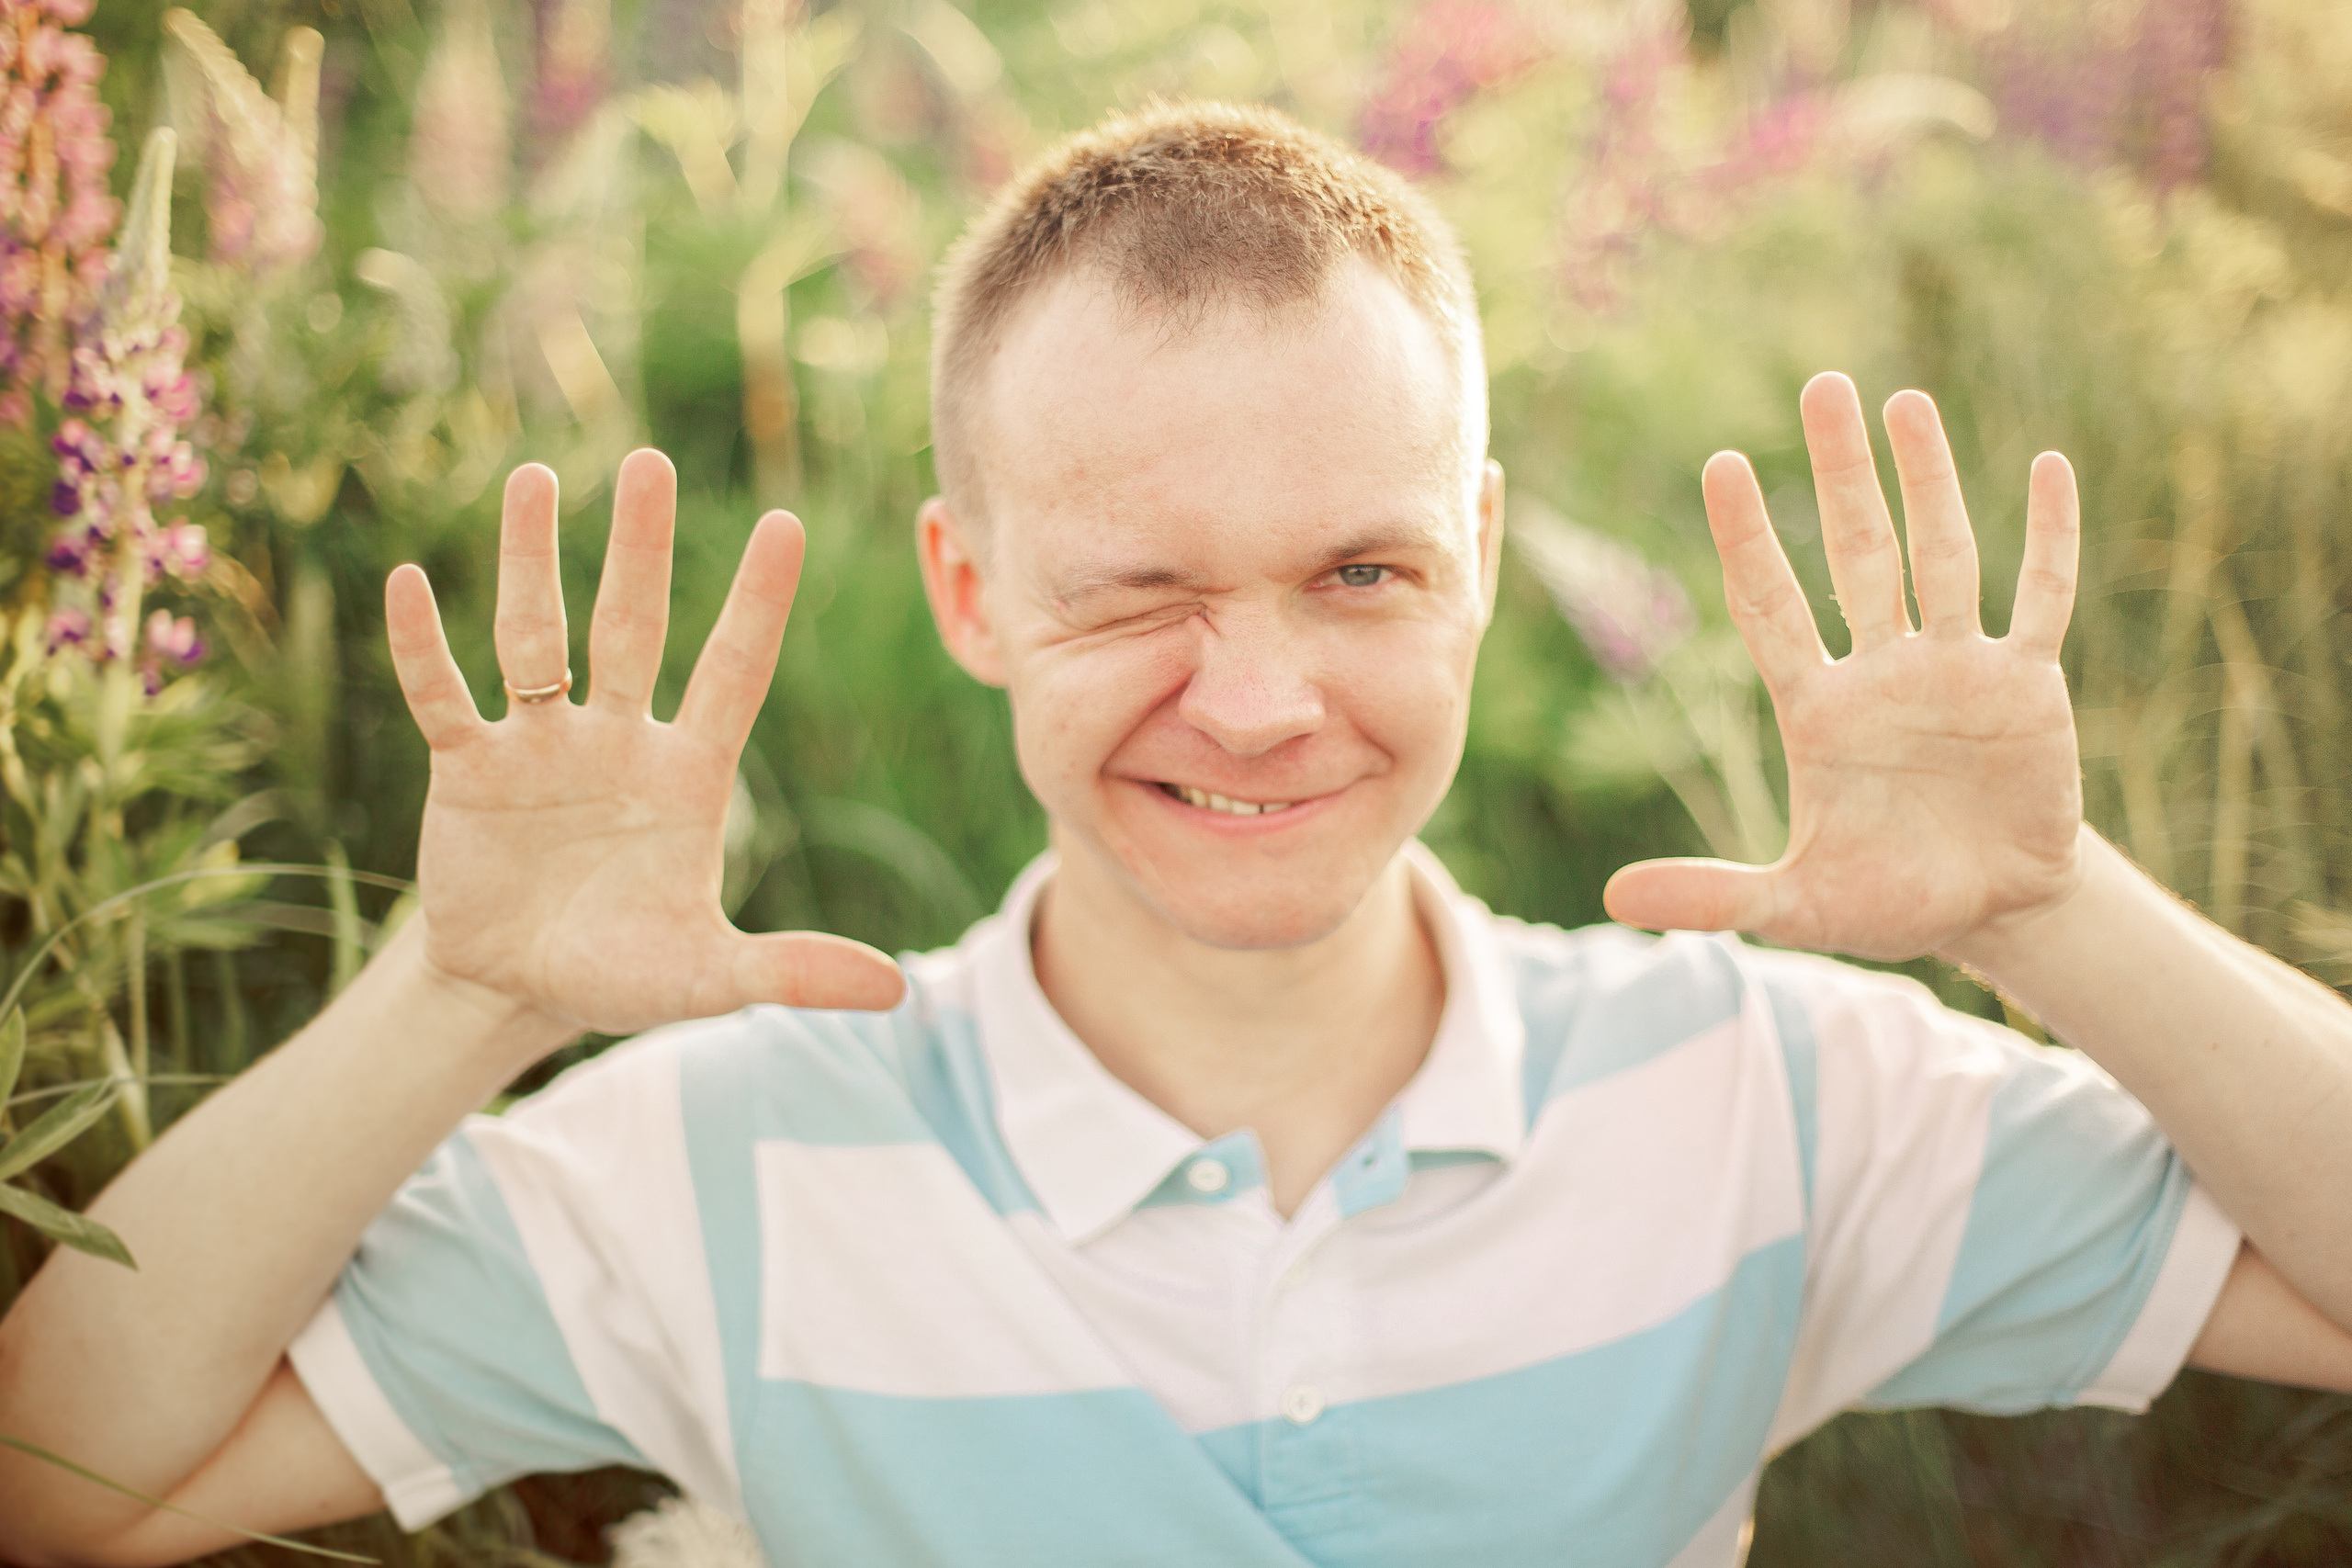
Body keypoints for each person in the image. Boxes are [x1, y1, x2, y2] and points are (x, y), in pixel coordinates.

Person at [2, 100, 2348, 1568]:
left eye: (1359, 570)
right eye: (1134, 593)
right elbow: (66, 1479)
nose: (1255, 697)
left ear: (1483, 555)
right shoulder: (719, 1160)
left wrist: (2053, 910)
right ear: (967, 592)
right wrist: (460, 990)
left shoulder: (1749, 1096)